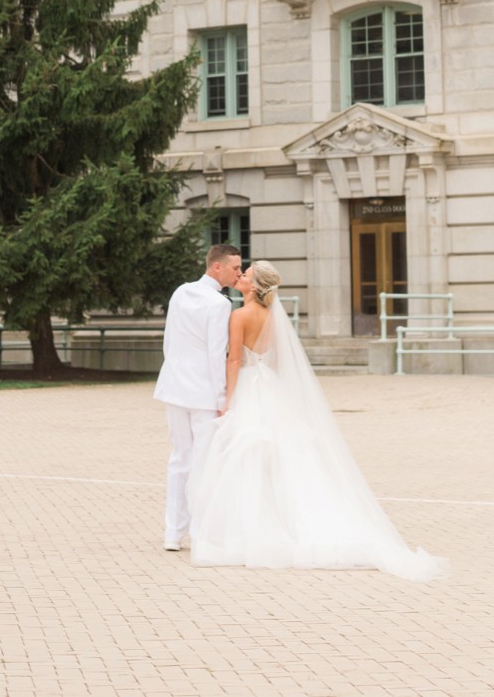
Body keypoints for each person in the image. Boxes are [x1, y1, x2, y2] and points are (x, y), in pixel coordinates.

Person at [187, 260, 445, 582]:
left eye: (246, 275)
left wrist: (227, 401)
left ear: (254, 286)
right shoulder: (274, 319)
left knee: (247, 459)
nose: (240, 276)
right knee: (281, 461)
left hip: (250, 391)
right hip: (272, 391)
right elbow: (280, 363)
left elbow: (235, 360)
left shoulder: (238, 316)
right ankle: (281, 520)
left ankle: (253, 529)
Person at [153, 242, 242, 551]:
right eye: (234, 267)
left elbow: (169, 341)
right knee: (202, 462)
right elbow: (215, 353)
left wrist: (174, 372)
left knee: (179, 459)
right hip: (203, 390)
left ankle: (173, 534)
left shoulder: (181, 292)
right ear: (216, 266)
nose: (238, 273)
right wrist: (221, 399)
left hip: (174, 385)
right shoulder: (219, 304)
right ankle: (202, 532)